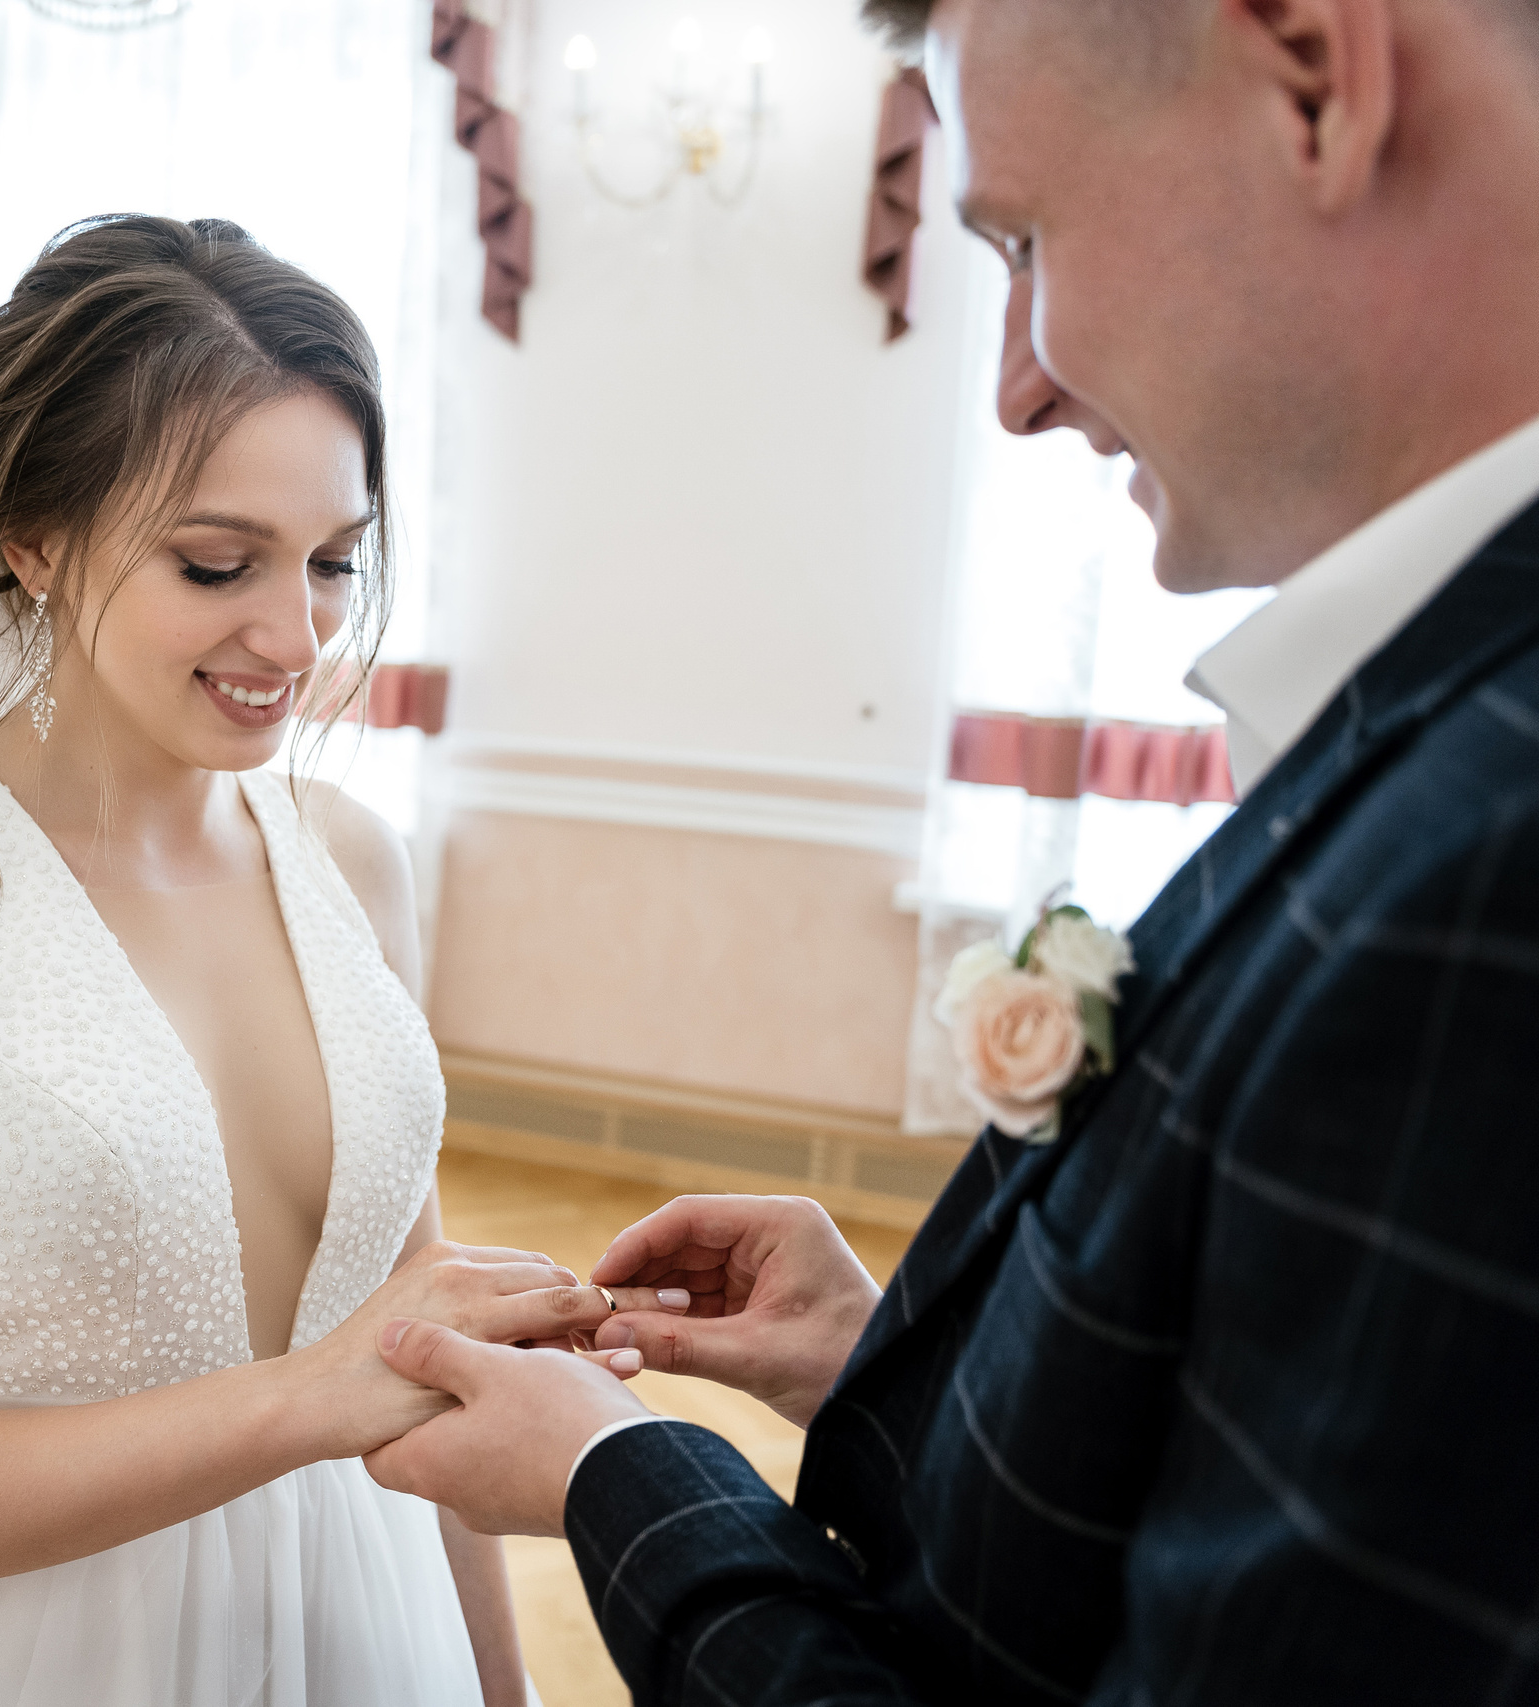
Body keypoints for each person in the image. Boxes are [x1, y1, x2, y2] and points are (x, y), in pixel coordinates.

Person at [362, 0, 1539, 1701]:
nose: (1017, 387)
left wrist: (619, 1479)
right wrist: (888, 1365)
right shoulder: (1440, 722)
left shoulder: (1486, 873)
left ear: (1315, 77)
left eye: (1026, 238)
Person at [0, 214, 632, 1707]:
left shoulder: (357, 863)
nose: (296, 635)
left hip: (369, 1623)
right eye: (217, 565)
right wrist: (295, 1404)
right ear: (32, 541)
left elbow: (413, 1335)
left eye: (335, 560)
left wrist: (501, 1689)